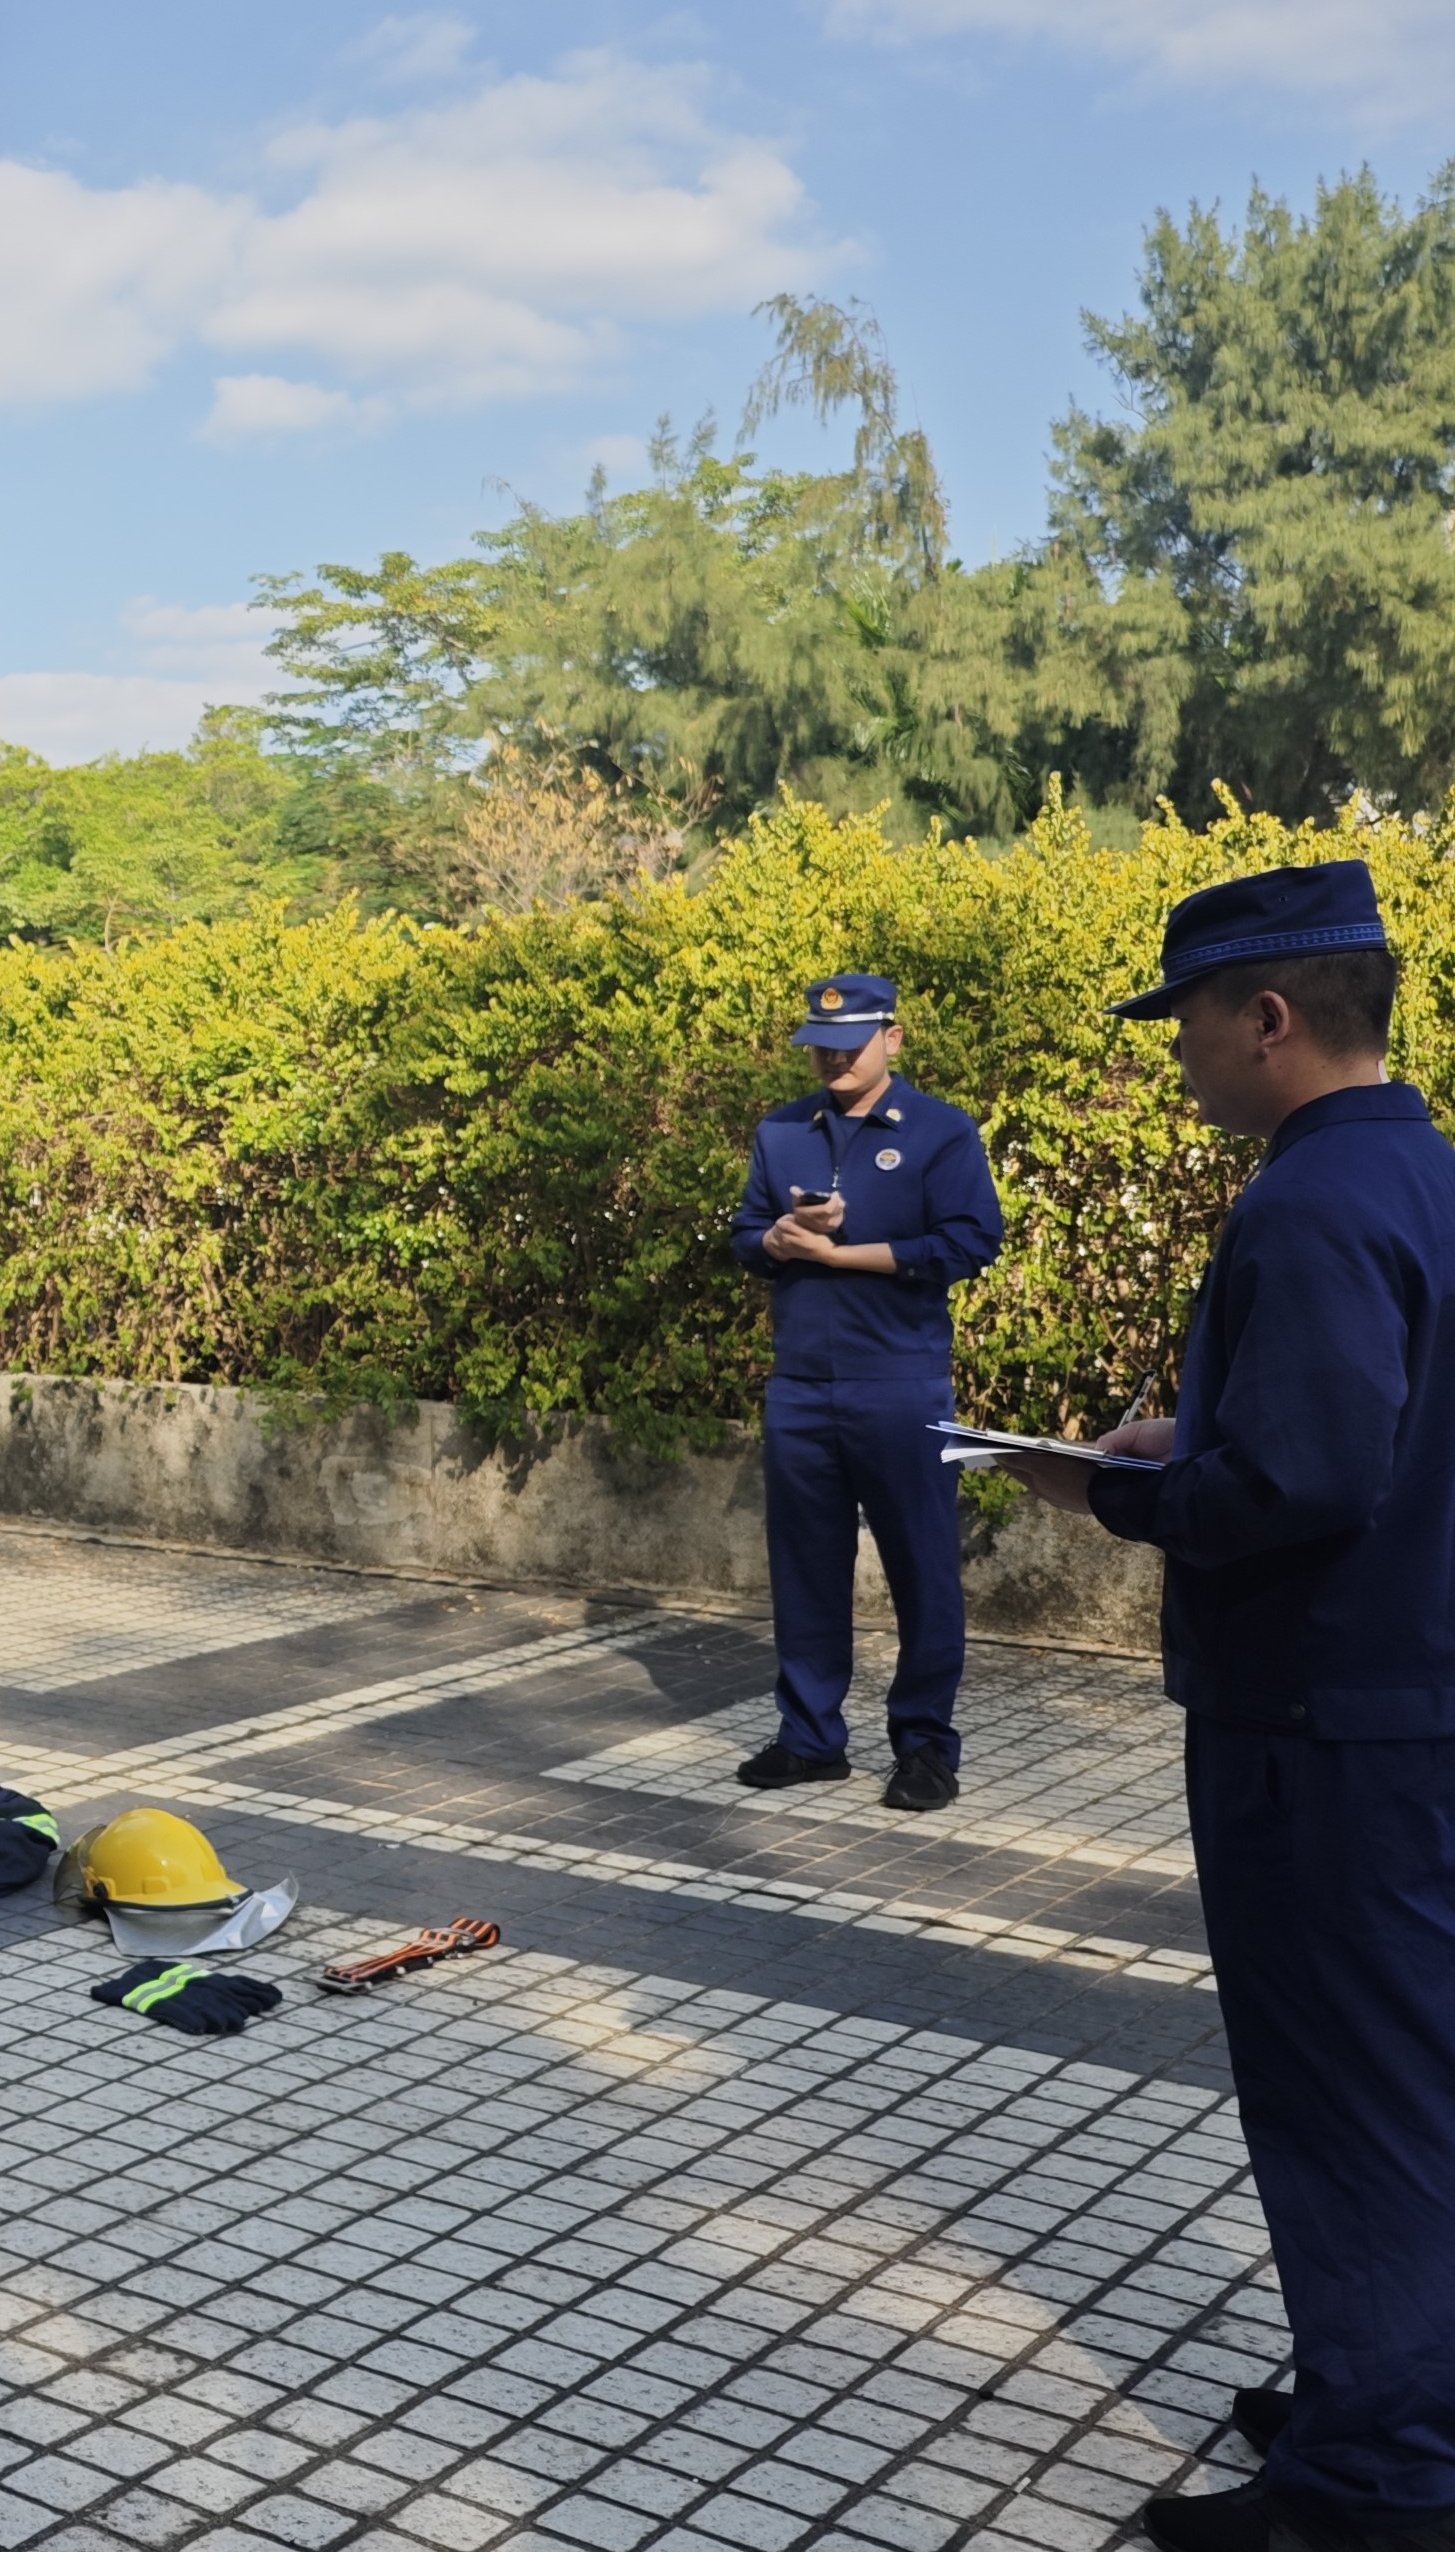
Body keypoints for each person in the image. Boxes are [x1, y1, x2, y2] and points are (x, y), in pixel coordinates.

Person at [1002, 863, 1455, 2551]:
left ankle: (1376, 2486)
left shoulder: (1309, 1201)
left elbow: (1308, 1473)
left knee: (1349, 2091)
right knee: (1413, 2068)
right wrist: (1179, 1447)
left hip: (1325, 1724)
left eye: (1187, 1020)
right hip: (1405, 1695)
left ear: (1267, 1015)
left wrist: (1098, 1490)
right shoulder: (1421, 1174)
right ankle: (1387, 2387)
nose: (1174, 1053)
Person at [723, 973, 1004, 1812]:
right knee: (804, 1565)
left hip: (900, 1382)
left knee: (923, 1569)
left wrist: (854, 1255)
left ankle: (924, 1746)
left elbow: (970, 1240)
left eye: (851, 1042)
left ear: (894, 1037)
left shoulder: (940, 1133)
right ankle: (811, 1739)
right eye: (820, 1042)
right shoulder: (782, 1131)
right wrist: (773, 1238)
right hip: (802, 1384)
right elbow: (744, 1235)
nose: (834, 1056)